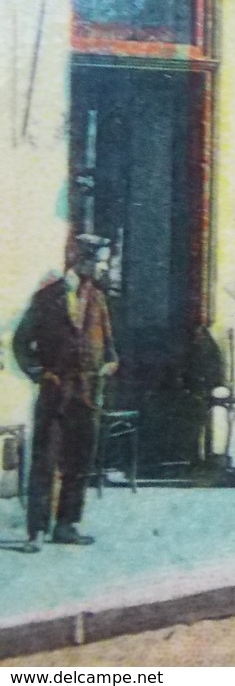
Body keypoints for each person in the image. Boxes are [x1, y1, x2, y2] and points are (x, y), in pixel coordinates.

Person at [13, 235, 118, 551]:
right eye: (100, 261)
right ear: (82, 259)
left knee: (79, 461)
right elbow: (21, 343)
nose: (104, 267)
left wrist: (107, 366)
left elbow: (110, 350)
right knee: (45, 461)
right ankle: (37, 531)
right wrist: (39, 373)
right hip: (55, 392)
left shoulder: (98, 299)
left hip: (87, 394)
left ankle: (67, 524)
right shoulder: (47, 297)